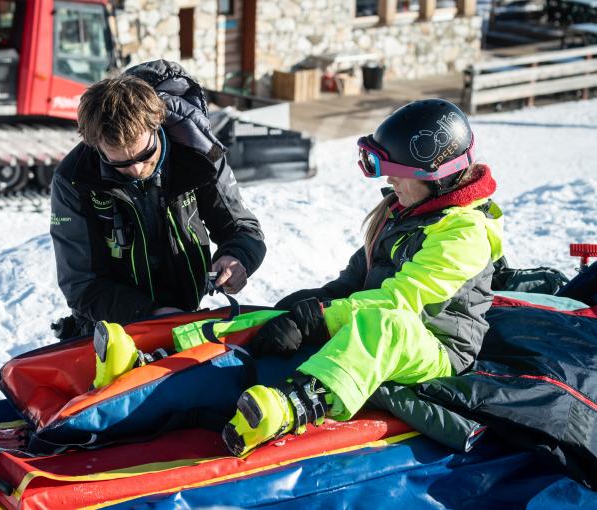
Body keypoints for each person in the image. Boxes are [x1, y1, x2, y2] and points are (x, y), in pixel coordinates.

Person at [222, 98, 504, 456]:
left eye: (396, 170)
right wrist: (311, 303)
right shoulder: (401, 211)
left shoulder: (464, 234)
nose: (388, 179)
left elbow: (400, 302)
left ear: (431, 174)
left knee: (387, 326)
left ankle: (295, 404)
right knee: (284, 314)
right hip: (377, 323)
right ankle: (175, 356)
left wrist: (320, 320)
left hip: (436, 347)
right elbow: (359, 276)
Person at [50, 60, 266, 338]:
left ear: (157, 125)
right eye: (120, 163)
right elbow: (81, 284)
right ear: (96, 145)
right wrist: (150, 315)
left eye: (144, 155)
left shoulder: (198, 153)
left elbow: (243, 228)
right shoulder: (74, 180)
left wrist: (237, 257)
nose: (137, 169)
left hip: (186, 315)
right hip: (115, 326)